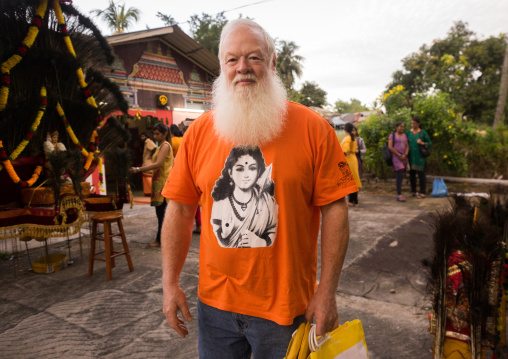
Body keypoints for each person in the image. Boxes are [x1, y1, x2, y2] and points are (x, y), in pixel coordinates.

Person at [160, 19, 358, 359]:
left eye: (254, 57)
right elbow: (178, 209)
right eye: (232, 60)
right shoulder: (199, 133)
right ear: (221, 68)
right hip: (215, 308)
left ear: (273, 62)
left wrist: (326, 291)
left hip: (286, 312)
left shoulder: (313, 128)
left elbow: (335, 209)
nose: (243, 68)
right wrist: (169, 283)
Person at [210, 146, 278, 248]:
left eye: (252, 168)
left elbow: (274, 230)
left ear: (258, 172)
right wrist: (225, 234)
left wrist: (262, 242)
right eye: (240, 169)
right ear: (230, 172)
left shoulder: (267, 201)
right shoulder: (220, 202)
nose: (246, 175)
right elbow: (217, 240)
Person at [130, 123, 173, 247]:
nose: (155, 136)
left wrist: (138, 169)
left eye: (157, 134)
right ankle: (162, 239)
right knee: (161, 213)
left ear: (165, 134)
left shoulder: (165, 146)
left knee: (162, 214)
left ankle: (160, 240)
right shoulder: (160, 146)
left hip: (162, 184)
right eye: (154, 134)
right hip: (158, 182)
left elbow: (158, 163)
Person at [406, 117, 432, 199]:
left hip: (420, 158)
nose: (412, 125)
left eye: (414, 123)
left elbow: (430, 144)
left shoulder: (423, 133)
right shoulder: (408, 133)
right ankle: (413, 191)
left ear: (418, 124)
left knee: (421, 175)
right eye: (411, 123)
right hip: (410, 157)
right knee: (412, 175)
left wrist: (422, 143)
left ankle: (423, 192)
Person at [341, 123, 362, 207]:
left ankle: (352, 200)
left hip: (349, 160)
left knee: (350, 180)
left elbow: (345, 150)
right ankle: (355, 201)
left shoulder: (348, 138)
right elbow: (354, 149)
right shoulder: (353, 138)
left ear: (345, 129)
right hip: (353, 159)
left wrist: (344, 153)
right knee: (354, 180)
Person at [388, 122, 409, 202]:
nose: (402, 128)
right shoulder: (392, 135)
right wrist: (399, 155)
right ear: (396, 127)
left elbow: (407, 146)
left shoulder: (404, 135)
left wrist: (405, 154)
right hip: (396, 157)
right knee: (399, 172)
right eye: (400, 127)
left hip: (404, 157)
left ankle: (400, 192)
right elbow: (390, 147)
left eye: (403, 127)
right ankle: (399, 194)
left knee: (402, 173)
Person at [139, 132, 157, 196]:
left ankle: (153, 192)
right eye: (141, 136)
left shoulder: (148, 141)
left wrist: (152, 156)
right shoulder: (145, 142)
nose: (141, 138)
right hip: (146, 163)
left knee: (148, 178)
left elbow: (155, 148)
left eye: (143, 136)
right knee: (146, 179)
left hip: (148, 163)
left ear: (146, 136)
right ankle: (148, 193)